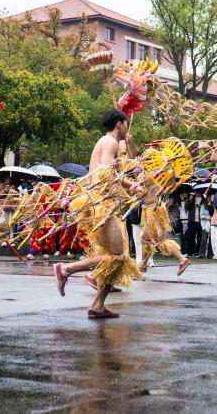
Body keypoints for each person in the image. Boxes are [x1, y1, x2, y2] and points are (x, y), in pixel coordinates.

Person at [54, 110, 140, 319]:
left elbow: (109, 172)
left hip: (101, 202)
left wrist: (131, 186)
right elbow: (105, 173)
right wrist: (126, 189)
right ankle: (66, 269)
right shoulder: (110, 142)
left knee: (117, 257)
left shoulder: (106, 142)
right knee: (117, 256)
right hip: (101, 204)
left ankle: (98, 305)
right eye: (126, 124)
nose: (127, 129)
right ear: (119, 125)